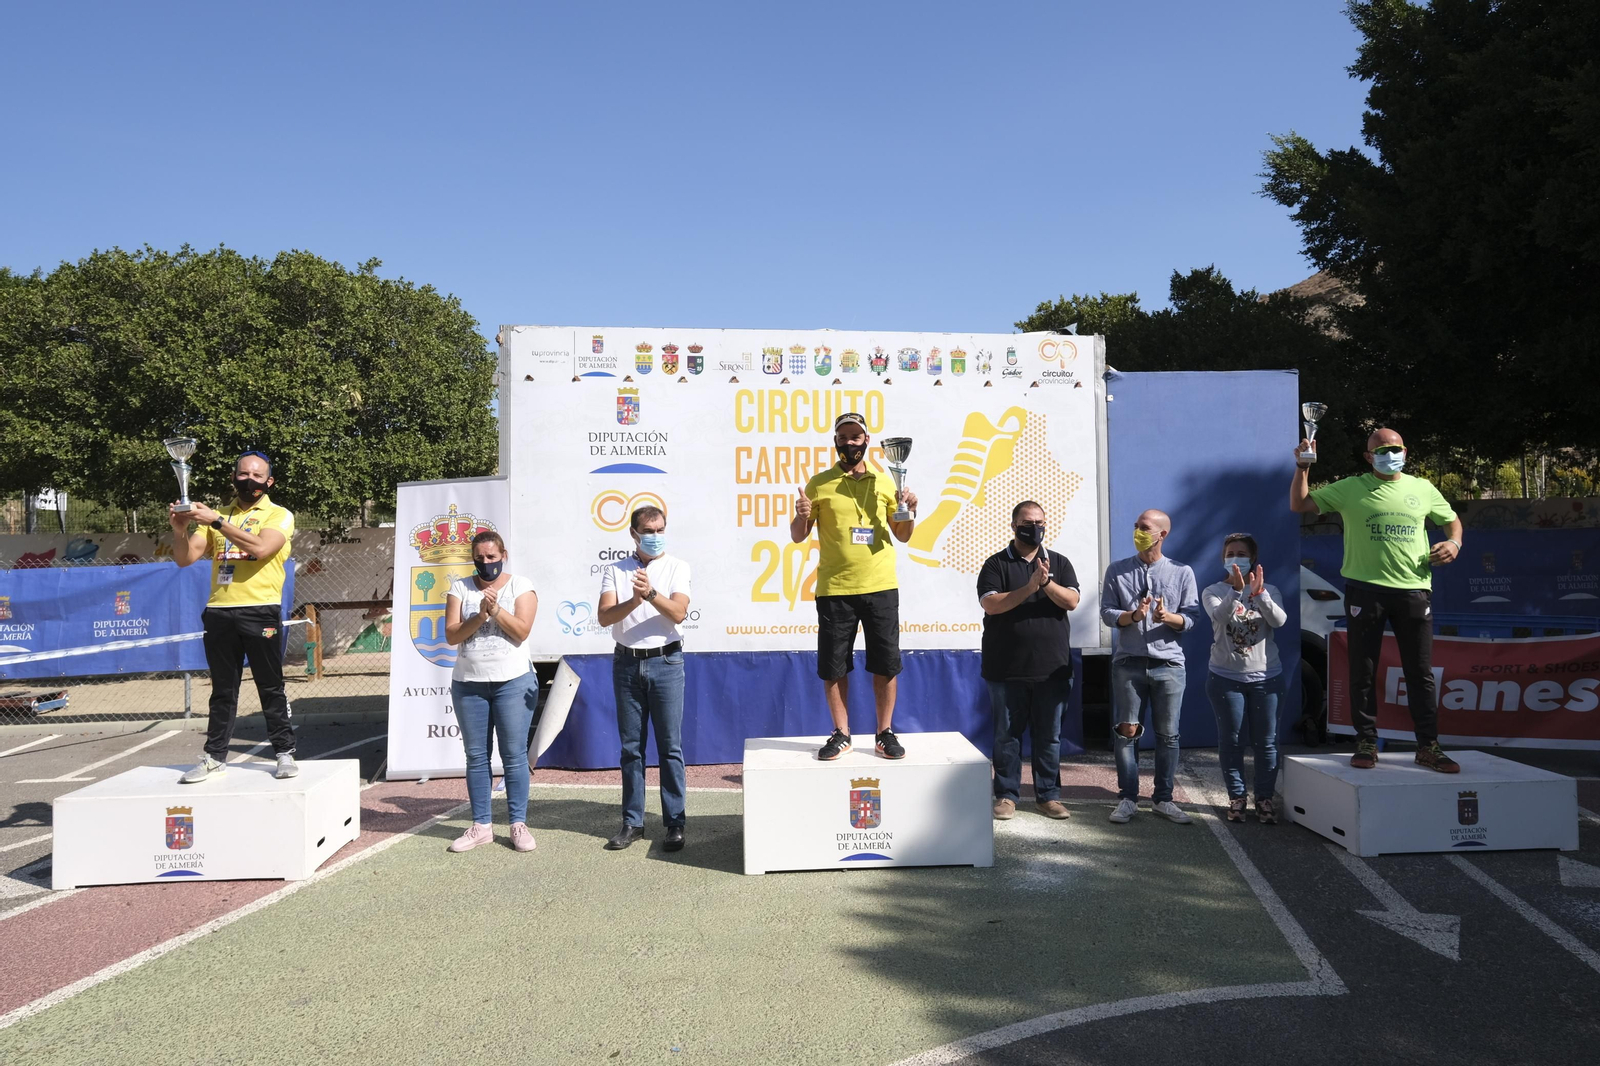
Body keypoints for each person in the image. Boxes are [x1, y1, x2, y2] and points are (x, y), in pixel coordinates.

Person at [1290, 427, 1463, 772]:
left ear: (1405, 450)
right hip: (1365, 589)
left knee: (1420, 672)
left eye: (1394, 448)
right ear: (1369, 457)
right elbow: (1300, 504)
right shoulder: (1351, 487)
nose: (1388, 454)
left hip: (1414, 588)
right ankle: (1366, 741)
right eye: (1380, 450)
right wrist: (1304, 467)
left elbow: (1452, 522)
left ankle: (1428, 745)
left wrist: (1454, 543)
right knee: (1363, 669)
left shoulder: (1422, 488)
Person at [791, 412, 918, 761]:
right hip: (834, 588)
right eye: (844, 437)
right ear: (835, 441)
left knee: (886, 663)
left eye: (856, 437)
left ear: (867, 441)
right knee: (833, 666)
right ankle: (841, 733)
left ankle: (884, 732)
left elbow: (903, 535)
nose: (850, 442)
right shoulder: (819, 483)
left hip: (880, 585)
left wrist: (909, 511)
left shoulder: (884, 481)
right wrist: (802, 514)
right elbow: (798, 536)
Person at [169, 451, 298, 783]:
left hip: (260, 610)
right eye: (244, 474)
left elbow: (261, 549)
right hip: (220, 612)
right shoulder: (219, 516)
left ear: (269, 481)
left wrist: (215, 521)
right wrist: (180, 529)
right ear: (233, 476)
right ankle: (214, 757)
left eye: (257, 476)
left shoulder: (278, 515)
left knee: (270, 685)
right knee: (223, 690)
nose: (249, 480)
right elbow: (185, 558)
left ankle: (284, 752)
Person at [978, 501, 1081, 820]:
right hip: (1005, 669)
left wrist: (1046, 582)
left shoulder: (1059, 563)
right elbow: (992, 604)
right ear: (1013, 526)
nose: (1034, 527)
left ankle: (1048, 796)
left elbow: (1073, 600)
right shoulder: (996, 564)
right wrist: (1029, 587)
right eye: (1027, 522)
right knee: (1006, 736)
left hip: (1052, 669)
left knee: (1049, 736)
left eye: (1039, 522)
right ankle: (1007, 795)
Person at [597, 505, 692, 852]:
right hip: (626, 664)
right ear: (634, 533)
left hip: (666, 661)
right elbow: (605, 616)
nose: (655, 536)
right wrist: (634, 599)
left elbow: (679, 611)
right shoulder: (616, 570)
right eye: (648, 531)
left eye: (660, 529)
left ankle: (675, 823)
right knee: (631, 749)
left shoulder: (677, 567)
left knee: (670, 747)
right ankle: (632, 822)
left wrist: (651, 594)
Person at [1100, 509, 1200, 824]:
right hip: (1128, 663)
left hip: (1169, 665)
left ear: (1162, 535)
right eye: (1135, 526)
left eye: (1144, 528)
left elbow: (1192, 617)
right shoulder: (1117, 571)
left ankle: (1163, 799)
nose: (1138, 532)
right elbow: (1106, 612)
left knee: (1168, 736)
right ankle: (1128, 798)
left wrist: (1166, 617)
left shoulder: (1182, 572)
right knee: (1127, 733)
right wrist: (1133, 616)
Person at [443, 531, 540, 853]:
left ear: (503, 555)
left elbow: (522, 631)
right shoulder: (460, 587)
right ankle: (481, 825)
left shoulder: (520, 586)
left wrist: (497, 611)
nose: (485, 564)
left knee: (513, 756)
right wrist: (480, 615)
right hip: (469, 684)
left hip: (513, 681)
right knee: (476, 756)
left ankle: (517, 823)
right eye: (479, 558)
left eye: (491, 557)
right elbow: (453, 635)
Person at [1201, 534, 1288, 823]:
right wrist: (1236, 592)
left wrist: (1259, 594)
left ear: (1252, 558)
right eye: (1230, 553)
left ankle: (1264, 799)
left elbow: (1278, 621)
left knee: (1266, 743)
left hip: (1266, 678)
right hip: (1225, 678)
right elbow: (1221, 616)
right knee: (1232, 741)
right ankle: (1237, 798)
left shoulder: (1270, 589)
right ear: (1223, 559)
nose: (1235, 558)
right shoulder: (1212, 590)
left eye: (1241, 553)